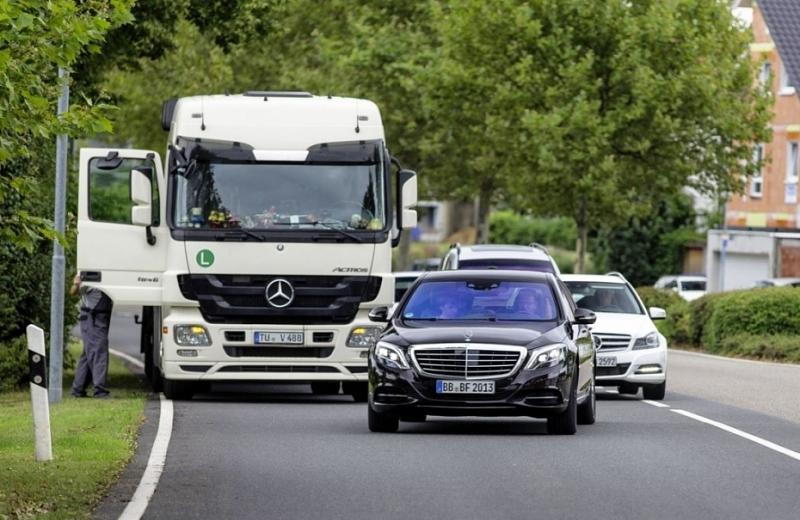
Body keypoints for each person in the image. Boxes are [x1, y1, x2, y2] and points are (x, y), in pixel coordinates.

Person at [70, 274, 114, 398]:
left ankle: (78, 389)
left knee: (88, 354)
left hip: (96, 319)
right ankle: (100, 390)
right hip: (93, 319)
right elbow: (74, 292)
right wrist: (76, 284)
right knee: (99, 352)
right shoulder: (93, 279)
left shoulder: (99, 277)